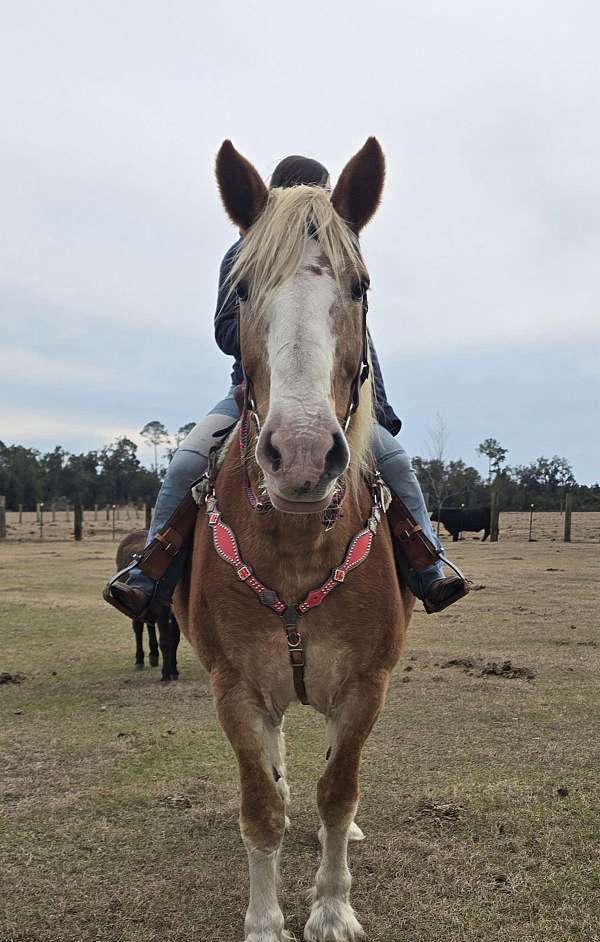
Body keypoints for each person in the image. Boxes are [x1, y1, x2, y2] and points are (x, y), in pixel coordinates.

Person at [104, 155, 467, 622]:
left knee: (395, 461)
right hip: (251, 393)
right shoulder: (243, 252)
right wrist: (271, 327)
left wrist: (379, 408)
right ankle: (148, 572)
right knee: (187, 462)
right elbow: (224, 331)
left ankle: (429, 564)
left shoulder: (339, 250)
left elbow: (359, 337)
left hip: (334, 396)